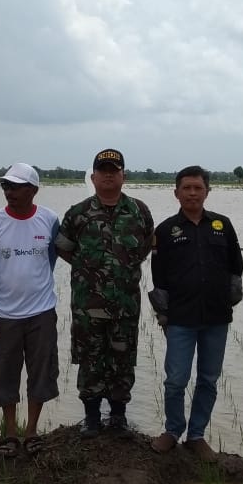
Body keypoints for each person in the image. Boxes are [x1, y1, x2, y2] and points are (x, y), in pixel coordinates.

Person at [56, 148, 154, 438]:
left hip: (125, 304)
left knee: (122, 359)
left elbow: (147, 244)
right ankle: (91, 417)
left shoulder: (139, 210)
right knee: (90, 358)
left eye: (114, 169)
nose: (109, 174)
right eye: (103, 170)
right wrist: (89, 270)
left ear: (123, 175)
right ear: (94, 176)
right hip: (88, 304)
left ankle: (119, 417)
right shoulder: (78, 213)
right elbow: (63, 247)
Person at [149, 166, 243, 463]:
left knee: (208, 379)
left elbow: (235, 269)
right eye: (186, 188)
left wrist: (227, 303)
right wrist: (164, 317)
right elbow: (159, 279)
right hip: (180, 319)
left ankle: (197, 435)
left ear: (207, 191)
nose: (192, 193)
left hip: (216, 318)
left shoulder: (222, 226)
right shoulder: (165, 231)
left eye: (197, 188)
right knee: (176, 379)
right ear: (176, 192)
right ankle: (172, 430)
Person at [0, 163, 60, 458]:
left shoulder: (49, 220)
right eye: (5, 187)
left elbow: (50, 263)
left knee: (41, 372)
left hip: (41, 312)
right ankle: (10, 432)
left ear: (33, 190)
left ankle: (32, 431)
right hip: (4, 313)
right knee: (4, 374)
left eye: (15, 187)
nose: (9, 192)